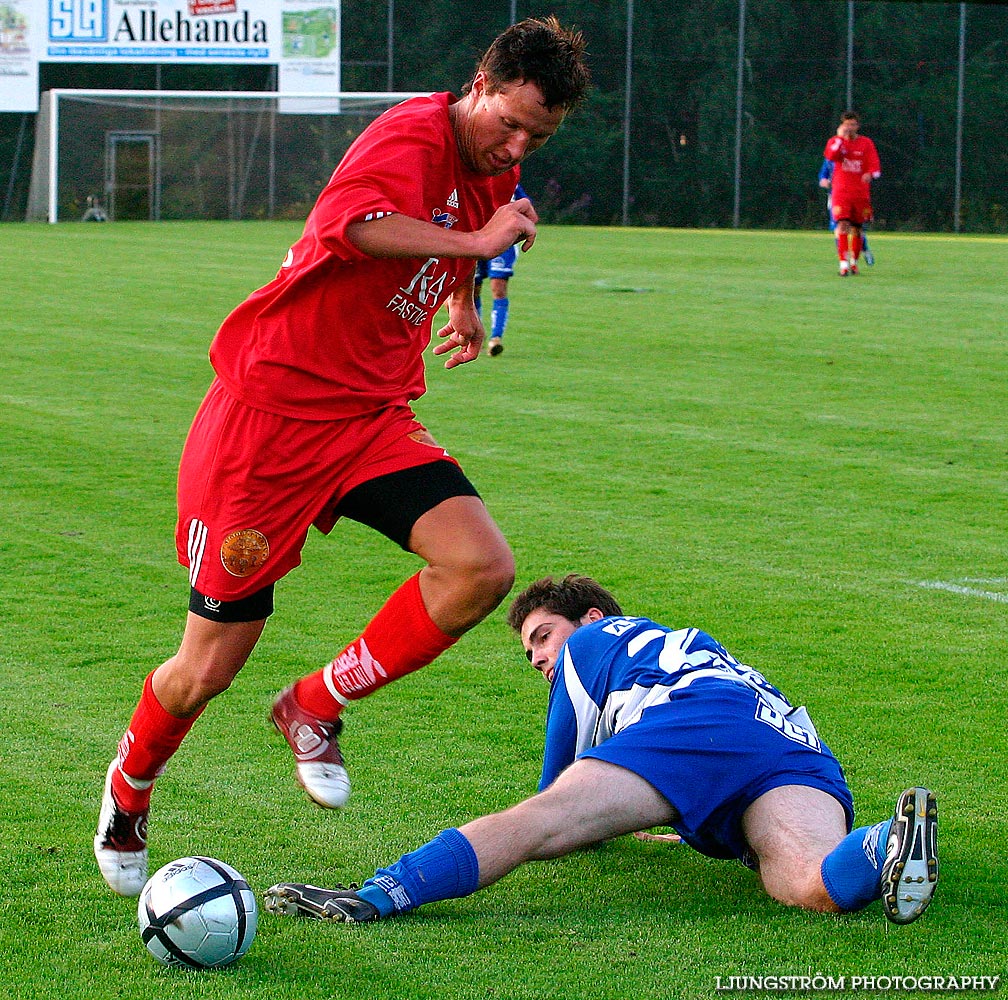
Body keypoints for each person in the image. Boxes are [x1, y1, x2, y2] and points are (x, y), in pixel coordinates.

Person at [94, 18, 591, 897]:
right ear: (479, 82)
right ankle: (129, 790)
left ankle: (316, 703)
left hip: (367, 415)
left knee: (480, 568)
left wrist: (465, 301)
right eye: (507, 123)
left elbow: (469, 223)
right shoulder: (407, 134)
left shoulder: (493, 167)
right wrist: (477, 248)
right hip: (268, 423)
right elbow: (357, 225)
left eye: (536, 138)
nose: (515, 146)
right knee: (207, 666)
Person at [263, 574, 939, 927]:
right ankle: (885, 842)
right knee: (803, 881)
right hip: (791, 744)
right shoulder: (677, 651)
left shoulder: (594, 645)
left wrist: (604, 816)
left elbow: (558, 793)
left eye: (541, 635)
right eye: (528, 648)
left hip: (696, 726)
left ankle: (379, 894)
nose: (536, 657)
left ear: (588, 620)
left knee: (541, 820)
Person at [474, 182, 530, 356]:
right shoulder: (474, 177)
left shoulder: (511, 182)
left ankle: (495, 338)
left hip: (503, 242)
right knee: (472, 290)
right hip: (476, 238)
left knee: (498, 288)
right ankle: (476, 336)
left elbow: (527, 207)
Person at [823, 111, 880, 276]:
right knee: (842, 226)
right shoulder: (836, 142)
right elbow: (830, 156)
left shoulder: (866, 143)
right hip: (841, 192)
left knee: (857, 229)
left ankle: (854, 263)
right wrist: (840, 139)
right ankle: (843, 265)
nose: (849, 128)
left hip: (860, 193)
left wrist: (870, 174)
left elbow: (875, 166)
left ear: (857, 126)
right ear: (842, 126)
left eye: (853, 125)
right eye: (847, 125)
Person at [818, 159, 873, 266]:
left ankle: (864, 249)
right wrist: (825, 182)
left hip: (854, 198)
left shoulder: (854, 158)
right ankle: (844, 261)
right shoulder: (830, 160)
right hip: (836, 199)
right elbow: (822, 177)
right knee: (838, 228)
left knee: (855, 228)